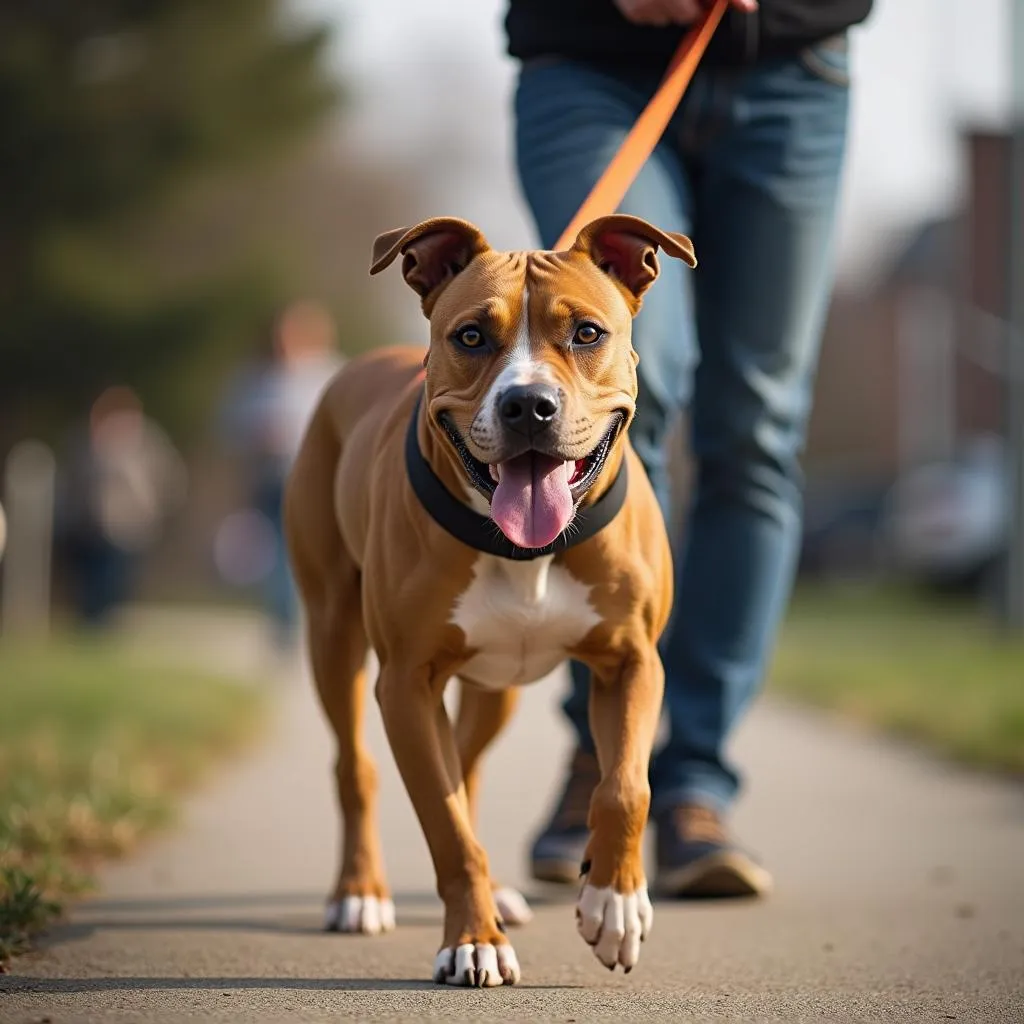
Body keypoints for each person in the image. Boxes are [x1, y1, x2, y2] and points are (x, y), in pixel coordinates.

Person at [505, 0, 873, 897]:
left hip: (794, 72)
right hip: (592, 67)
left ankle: (696, 780)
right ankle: (604, 753)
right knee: (633, 387)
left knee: (757, 427)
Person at [218, 301, 343, 650]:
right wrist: (257, 435)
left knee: (313, 552)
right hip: (269, 477)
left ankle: (321, 617)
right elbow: (229, 425)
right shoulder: (255, 379)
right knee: (280, 553)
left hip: (316, 476)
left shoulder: (329, 374)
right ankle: (286, 624)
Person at [57, 386, 187, 627]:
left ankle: (106, 622)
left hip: (129, 525)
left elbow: (169, 477)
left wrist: (155, 508)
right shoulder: (86, 441)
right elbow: (73, 482)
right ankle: (91, 622)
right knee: (89, 581)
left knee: (115, 581)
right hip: (90, 526)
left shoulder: (146, 441)